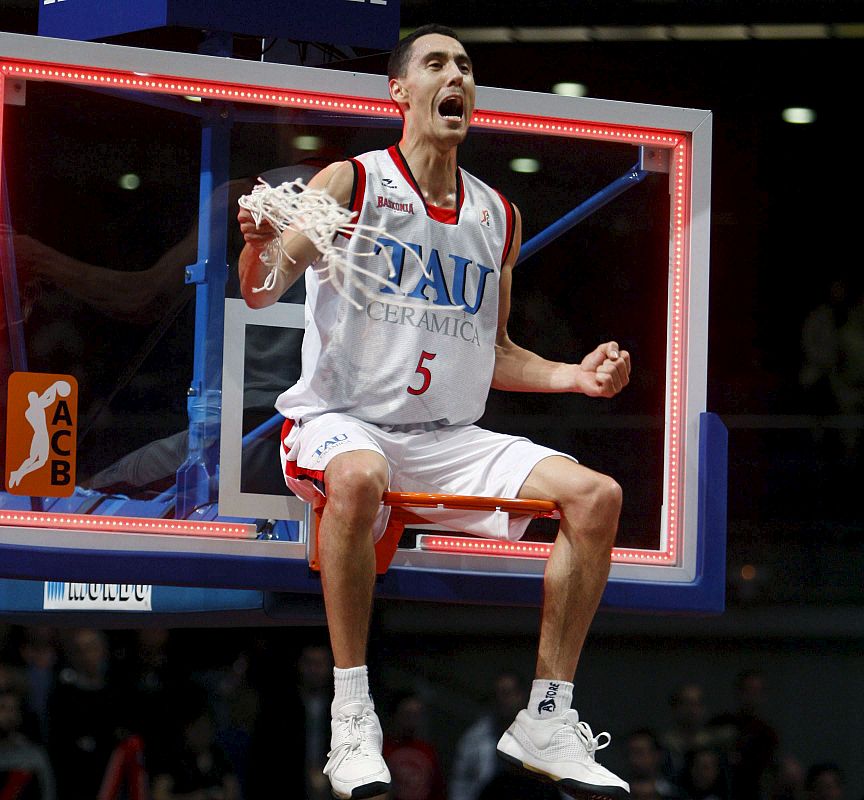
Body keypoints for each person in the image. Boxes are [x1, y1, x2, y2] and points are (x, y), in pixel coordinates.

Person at [238, 23, 632, 800]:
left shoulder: (499, 217)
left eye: (465, 65)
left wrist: (574, 378)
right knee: (357, 475)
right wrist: (257, 245)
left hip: (448, 435)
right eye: (437, 63)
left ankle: (548, 718)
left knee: (598, 496)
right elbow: (262, 288)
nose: (457, 75)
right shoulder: (348, 183)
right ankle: (353, 718)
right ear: (401, 92)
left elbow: (498, 350)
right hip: (341, 422)